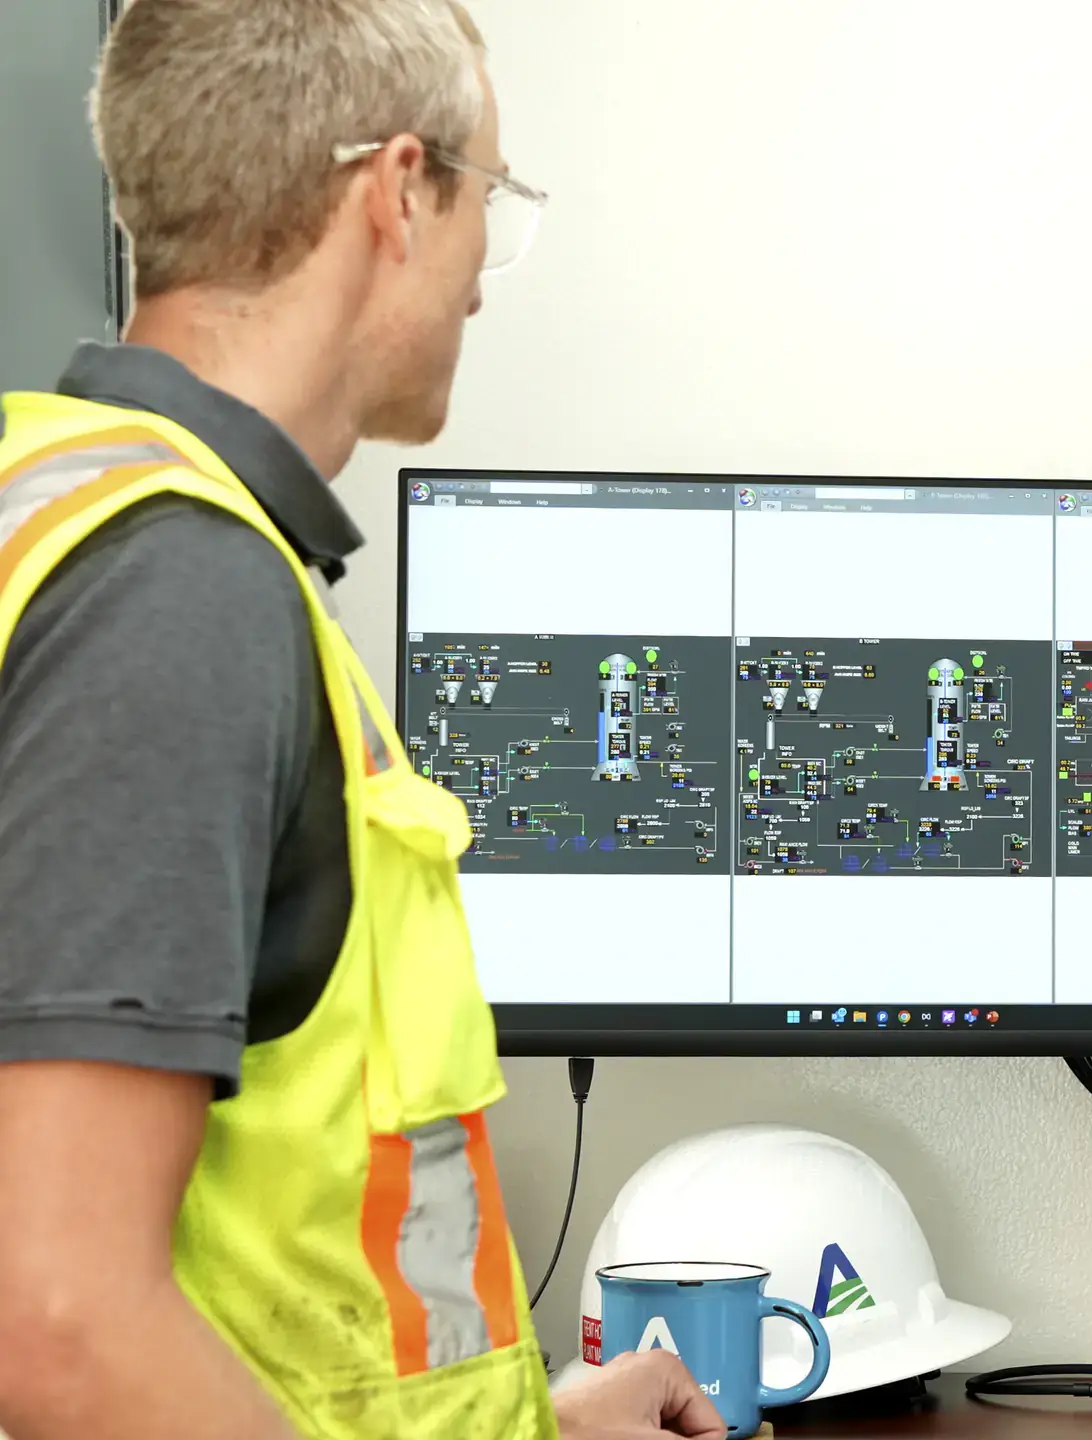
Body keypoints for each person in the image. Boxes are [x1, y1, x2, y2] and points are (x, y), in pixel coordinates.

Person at [0, 3, 724, 1438]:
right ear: (398, 191)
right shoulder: (179, 591)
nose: (479, 282)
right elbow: (61, 1321)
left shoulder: (73, 500)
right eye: (488, 199)